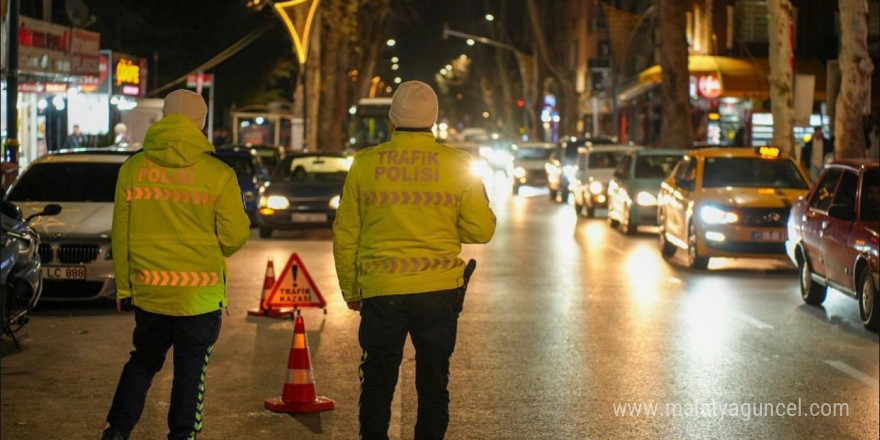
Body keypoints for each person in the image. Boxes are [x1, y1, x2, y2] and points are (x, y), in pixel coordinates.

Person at [333, 80, 496, 440]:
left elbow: (346, 234)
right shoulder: (458, 163)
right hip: (439, 293)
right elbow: (481, 231)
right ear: (434, 119)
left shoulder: (365, 164)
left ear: (393, 119)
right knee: (434, 383)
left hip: (381, 291)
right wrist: (443, 224)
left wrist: (351, 288)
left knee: (377, 382)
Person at [101, 89, 250, 440]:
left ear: (164, 118)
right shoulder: (219, 173)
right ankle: (183, 436)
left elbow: (120, 235)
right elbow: (234, 235)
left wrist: (125, 289)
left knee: (143, 361)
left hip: (150, 293)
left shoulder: (134, 169)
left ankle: (117, 431)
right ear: (201, 124)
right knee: (190, 370)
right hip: (198, 297)